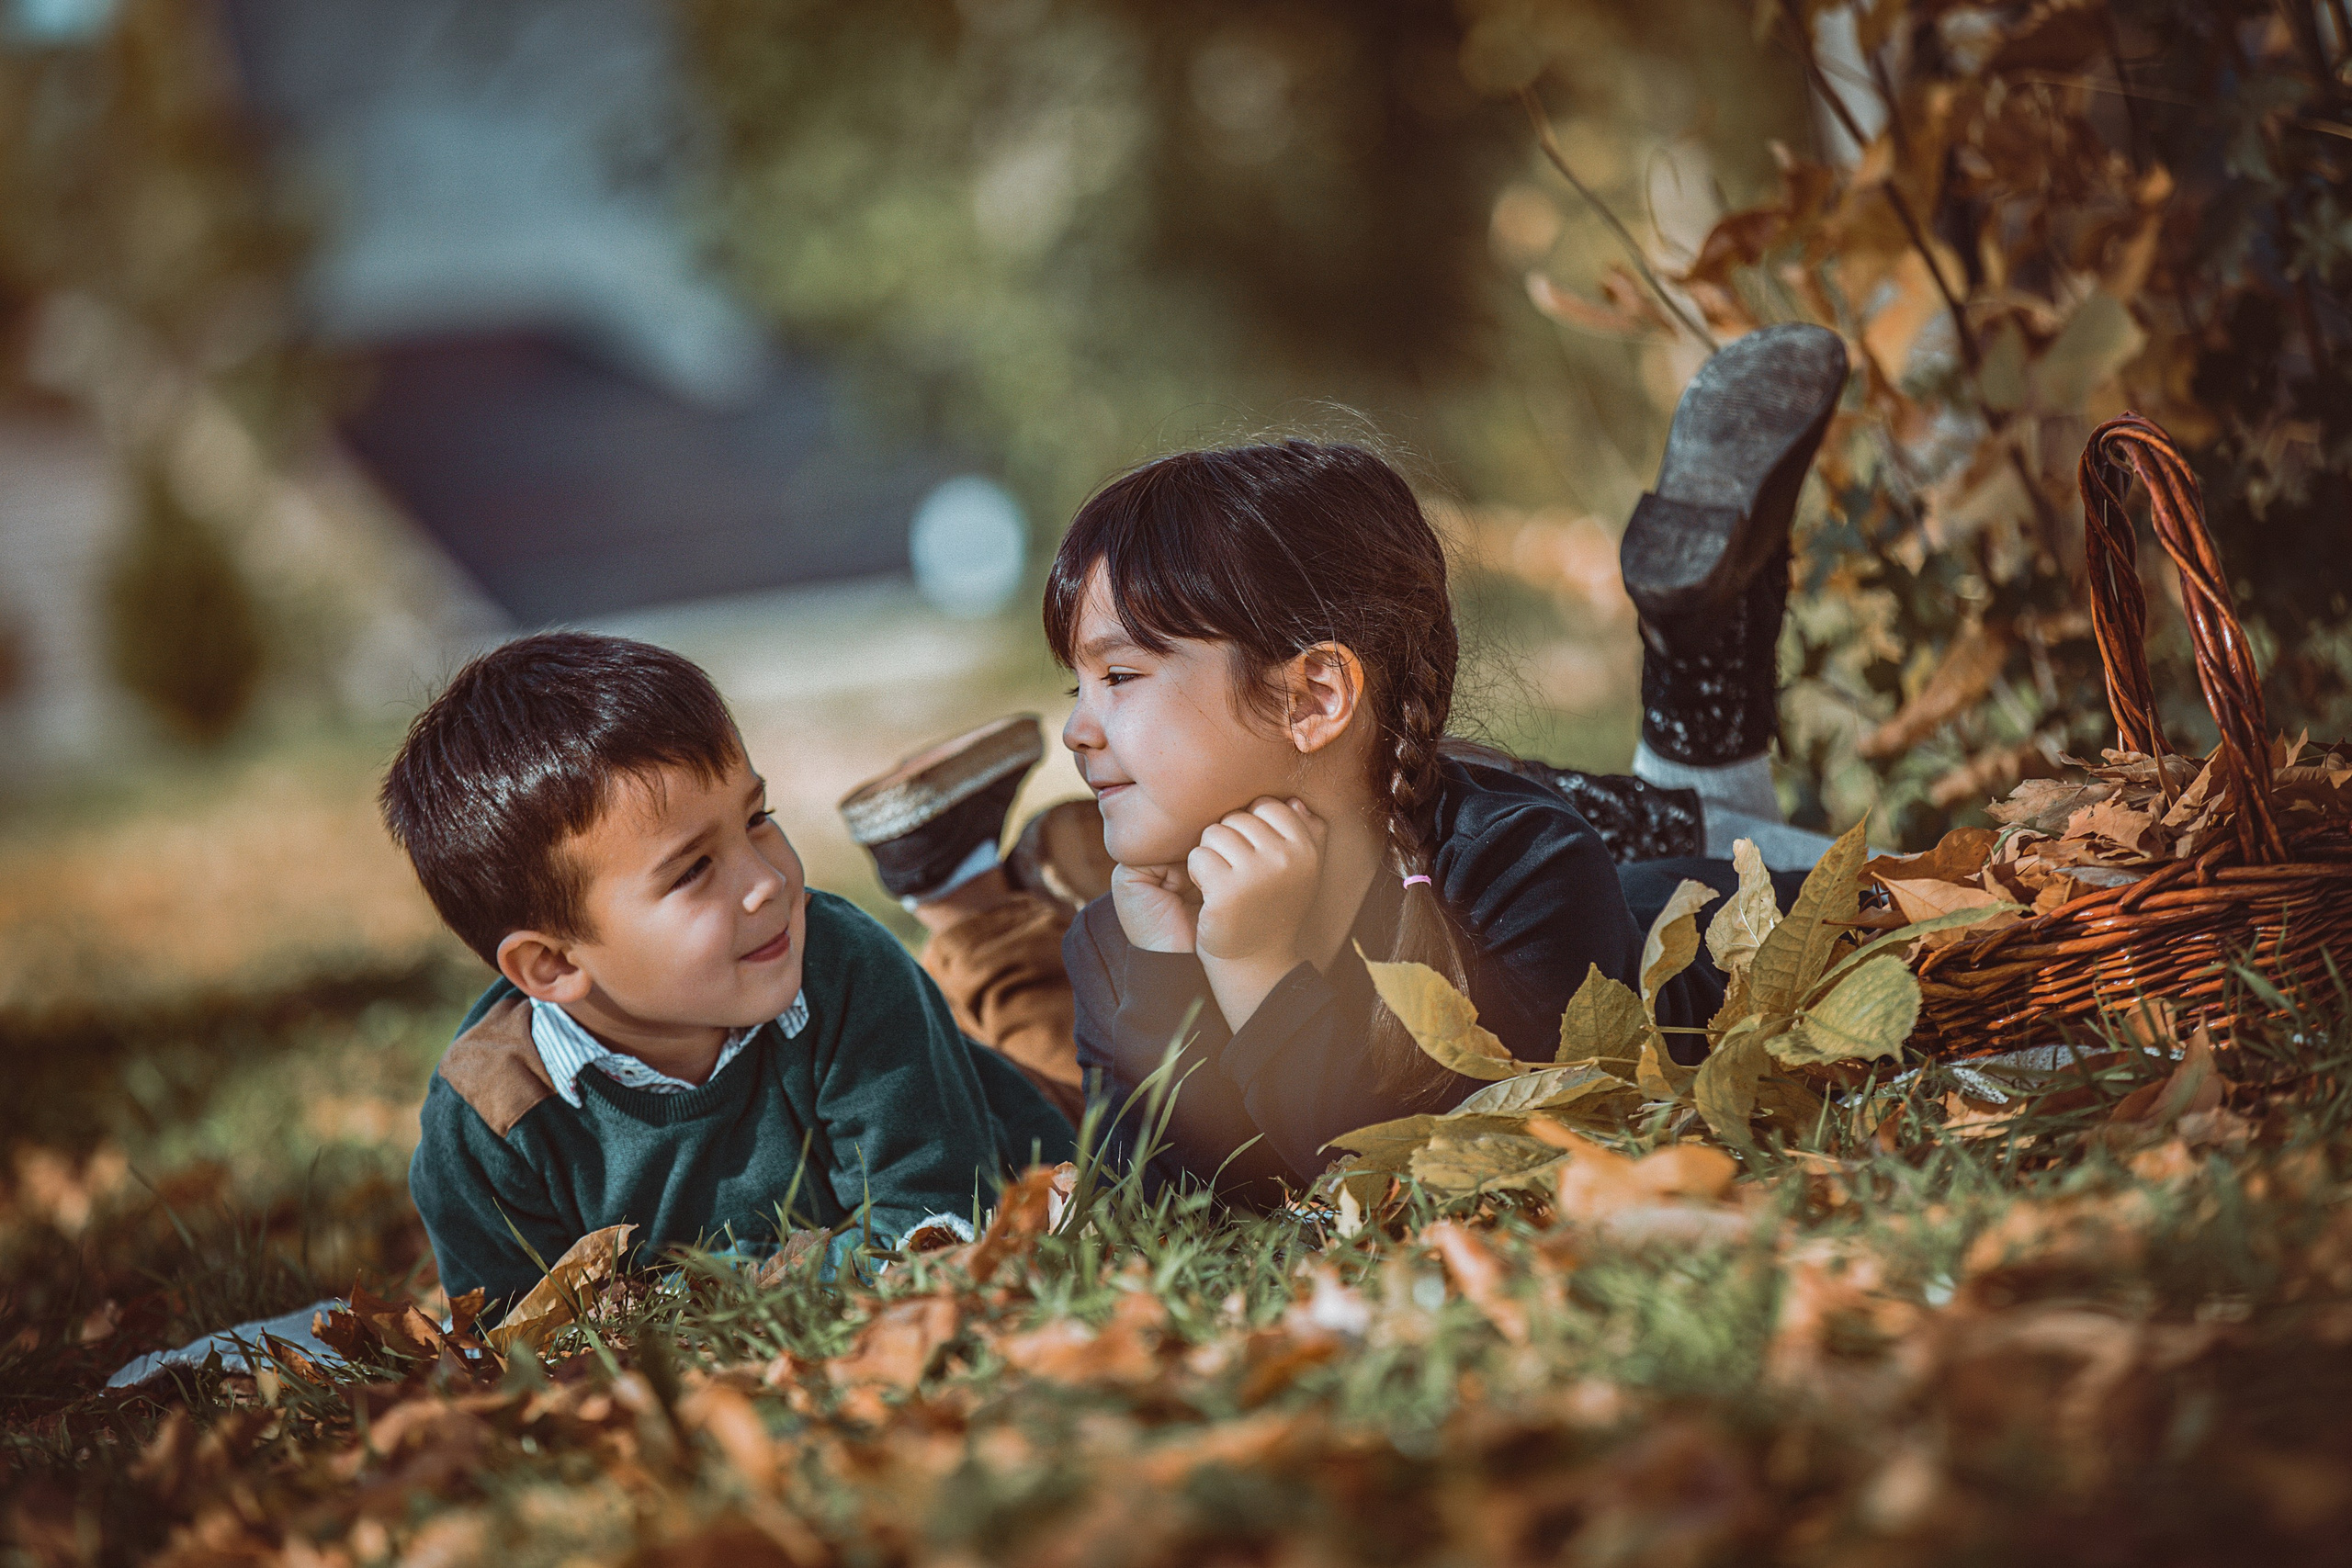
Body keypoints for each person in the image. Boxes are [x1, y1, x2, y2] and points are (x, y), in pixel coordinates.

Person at [842, 324, 1849, 1204]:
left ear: (1314, 697)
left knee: (1884, 876)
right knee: (1635, 807)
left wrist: (1257, 968)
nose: (1076, 732)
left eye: (1121, 676)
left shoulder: (1520, 871)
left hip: (1723, 919)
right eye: (1077, 688)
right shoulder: (1118, 940)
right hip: (1498, 814)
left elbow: (1458, 1167)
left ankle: (1698, 678)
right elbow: (1167, 1206)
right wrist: (1165, 976)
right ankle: (1692, 676)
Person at [385, 634, 1074, 1310]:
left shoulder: (841, 965)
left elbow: (937, 1224)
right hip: (910, 1065)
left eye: (758, 817)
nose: (768, 881)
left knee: (1080, 1067)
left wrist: (699, 1300)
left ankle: (974, 897)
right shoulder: (490, 1124)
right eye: (693, 869)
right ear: (554, 963)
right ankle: (950, 873)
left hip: (1013, 1124)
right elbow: (519, 1333)